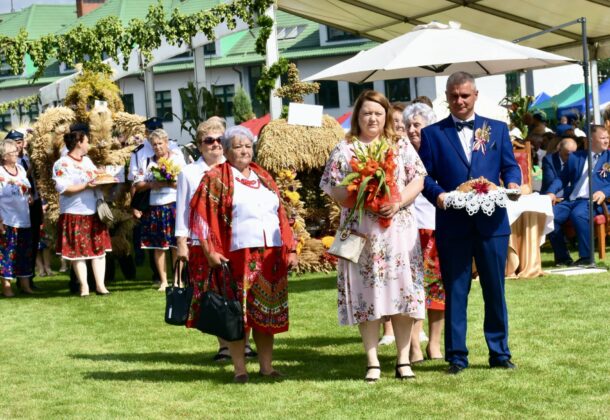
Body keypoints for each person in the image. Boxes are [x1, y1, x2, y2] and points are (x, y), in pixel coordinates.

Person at [419, 71, 521, 374]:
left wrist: (513, 184)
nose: (459, 101)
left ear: (475, 95)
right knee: (456, 289)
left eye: (465, 95)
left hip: (492, 225)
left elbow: (510, 167)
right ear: (446, 98)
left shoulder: (498, 129)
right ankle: (456, 357)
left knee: (495, 289)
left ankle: (500, 353)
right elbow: (422, 177)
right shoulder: (432, 134)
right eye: (454, 96)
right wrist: (440, 196)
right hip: (453, 224)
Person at [320, 90, 426, 382]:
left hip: (398, 233)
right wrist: (361, 196)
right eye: (367, 113)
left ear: (386, 116)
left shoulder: (399, 144)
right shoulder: (345, 148)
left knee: (403, 295)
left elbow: (418, 177)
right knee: (368, 296)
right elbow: (332, 187)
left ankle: (403, 360)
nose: (373, 118)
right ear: (357, 116)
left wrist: (398, 200)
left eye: (378, 113)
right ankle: (372, 361)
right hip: (362, 234)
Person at [190, 125, 297, 383]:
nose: (244, 150)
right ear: (226, 151)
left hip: (270, 256)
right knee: (239, 315)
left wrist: (290, 248)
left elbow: (280, 215)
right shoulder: (215, 178)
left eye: (248, 146)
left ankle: (267, 367)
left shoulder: (264, 178)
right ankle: (240, 369)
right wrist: (210, 251)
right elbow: (202, 217)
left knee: (267, 314)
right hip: (237, 255)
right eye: (238, 146)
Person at [177, 119, 256, 362]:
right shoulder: (189, 173)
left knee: (242, 290)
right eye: (208, 141)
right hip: (204, 243)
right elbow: (182, 211)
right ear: (199, 147)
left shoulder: (235, 169)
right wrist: (181, 243)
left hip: (236, 239)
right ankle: (225, 344)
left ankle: (244, 341)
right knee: (216, 294)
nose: (214, 145)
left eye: (218, 140)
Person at [403, 102, 445, 363]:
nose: (411, 129)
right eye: (408, 125)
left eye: (417, 124)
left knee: (438, 289)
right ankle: (415, 345)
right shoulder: (400, 155)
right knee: (413, 290)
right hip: (408, 231)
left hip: (437, 227)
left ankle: (435, 345)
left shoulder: (440, 152)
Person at [52, 131, 111, 296]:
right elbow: (64, 189)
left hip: (93, 211)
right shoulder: (62, 163)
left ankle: (100, 286)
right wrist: (86, 185)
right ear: (78, 142)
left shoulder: (87, 160)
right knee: (78, 252)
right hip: (74, 212)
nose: (88, 144)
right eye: (87, 141)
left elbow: (95, 177)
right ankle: (84, 286)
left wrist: (104, 175)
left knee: (99, 249)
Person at [546, 125, 610, 266]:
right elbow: (562, 178)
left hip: (593, 201)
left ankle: (586, 257)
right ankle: (563, 258)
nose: (607, 141)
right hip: (571, 199)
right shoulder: (576, 157)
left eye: (607, 137)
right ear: (592, 140)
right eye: (603, 138)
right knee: (549, 215)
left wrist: (604, 192)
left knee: (578, 214)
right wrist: (551, 192)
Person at [133, 129, 186, 291]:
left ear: (167, 142)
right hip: (154, 206)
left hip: (174, 204)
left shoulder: (177, 159)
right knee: (158, 246)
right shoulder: (147, 160)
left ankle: (177, 279)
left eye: (160, 143)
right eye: (154, 144)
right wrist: (151, 184)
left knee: (177, 245)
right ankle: (163, 281)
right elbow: (137, 184)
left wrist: (168, 182)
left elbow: (184, 183)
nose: (157, 147)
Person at [378, 102, 408, 347]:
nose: (399, 126)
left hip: (403, 223)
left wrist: (397, 203)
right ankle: (386, 329)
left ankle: (409, 345)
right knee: (380, 279)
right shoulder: (367, 146)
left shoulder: (405, 147)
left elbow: (419, 178)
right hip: (374, 224)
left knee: (402, 280)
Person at [5, 130, 42, 291]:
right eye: (15, 143)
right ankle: (9, 283)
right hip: (10, 212)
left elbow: (31, 182)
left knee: (31, 243)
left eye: (20, 142)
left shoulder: (26, 160)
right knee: (9, 249)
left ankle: (27, 278)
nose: (18, 146)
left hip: (30, 206)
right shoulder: (5, 165)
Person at [0, 139, 34, 297]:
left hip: (23, 218)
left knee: (23, 253)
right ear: (4, 156)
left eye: (16, 152)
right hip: (7, 219)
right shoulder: (0, 172)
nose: (16, 154)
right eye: (12, 152)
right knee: (7, 253)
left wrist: (29, 195)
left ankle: (25, 285)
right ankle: (7, 287)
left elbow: (26, 187)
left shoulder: (20, 168)